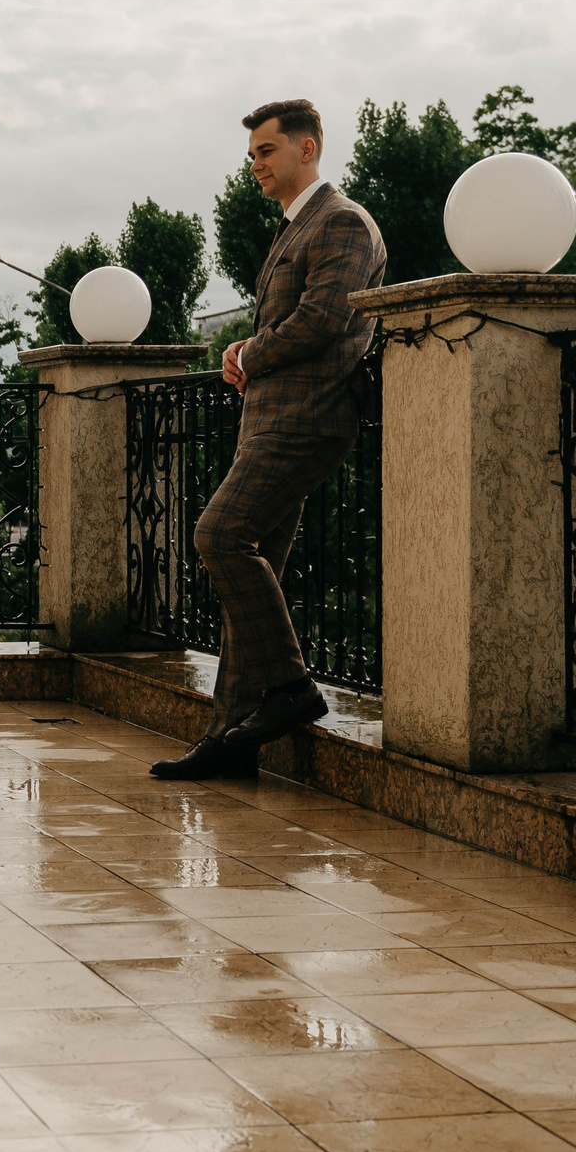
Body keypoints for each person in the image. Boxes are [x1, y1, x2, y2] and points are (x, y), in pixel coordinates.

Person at [152, 100, 386, 781]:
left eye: (265, 150)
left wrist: (250, 352)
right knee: (251, 579)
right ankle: (230, 740)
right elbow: (293, 320)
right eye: (252, 153)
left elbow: (324, 318)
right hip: (274, 419)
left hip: (307, 418)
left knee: (219, 536)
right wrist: (244, 354)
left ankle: (290, 688)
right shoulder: (297, 226)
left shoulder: (342, 221)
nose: (254, 163)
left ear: (306, 149)